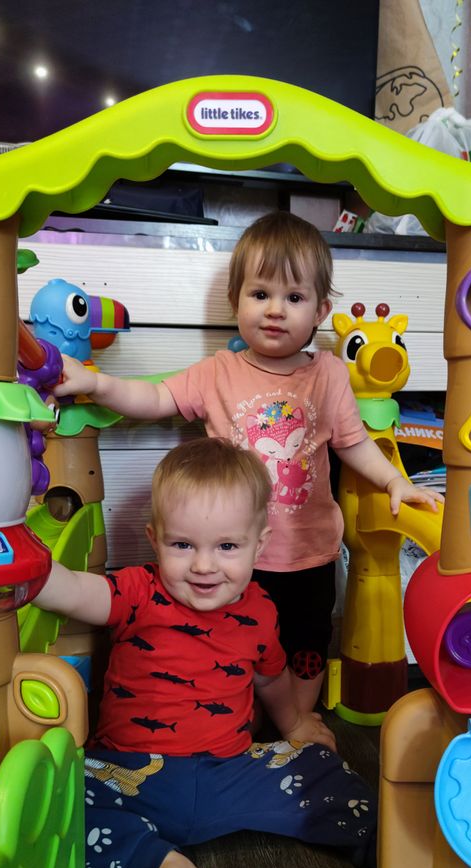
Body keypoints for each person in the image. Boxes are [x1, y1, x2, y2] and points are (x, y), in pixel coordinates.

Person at [53, 211, 443, 714]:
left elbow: (353, 442)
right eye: (260, 294)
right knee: (234, 645)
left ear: (320, 310)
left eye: (294, 298)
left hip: (307, 553)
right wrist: (98, 383)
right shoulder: (218, 372)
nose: (275, 310)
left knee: (306, 644)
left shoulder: (328, 375)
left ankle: (297, 722)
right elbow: (154, 398)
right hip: (230, 557)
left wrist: (394, 480)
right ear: (236, 299)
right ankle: (243, 719)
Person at [33, 437, 378, 868]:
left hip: (231, 772)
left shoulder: (261, 610)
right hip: (130, 774)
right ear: (155, 540)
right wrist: (25, 564)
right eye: (183, 545)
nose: (203, 565)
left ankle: (400, 853)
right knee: (54, 799)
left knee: (321, 769)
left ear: (259, 545)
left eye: (227, 547)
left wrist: (295, 723)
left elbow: (270, 678)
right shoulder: (137, 590)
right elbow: (72, 591)